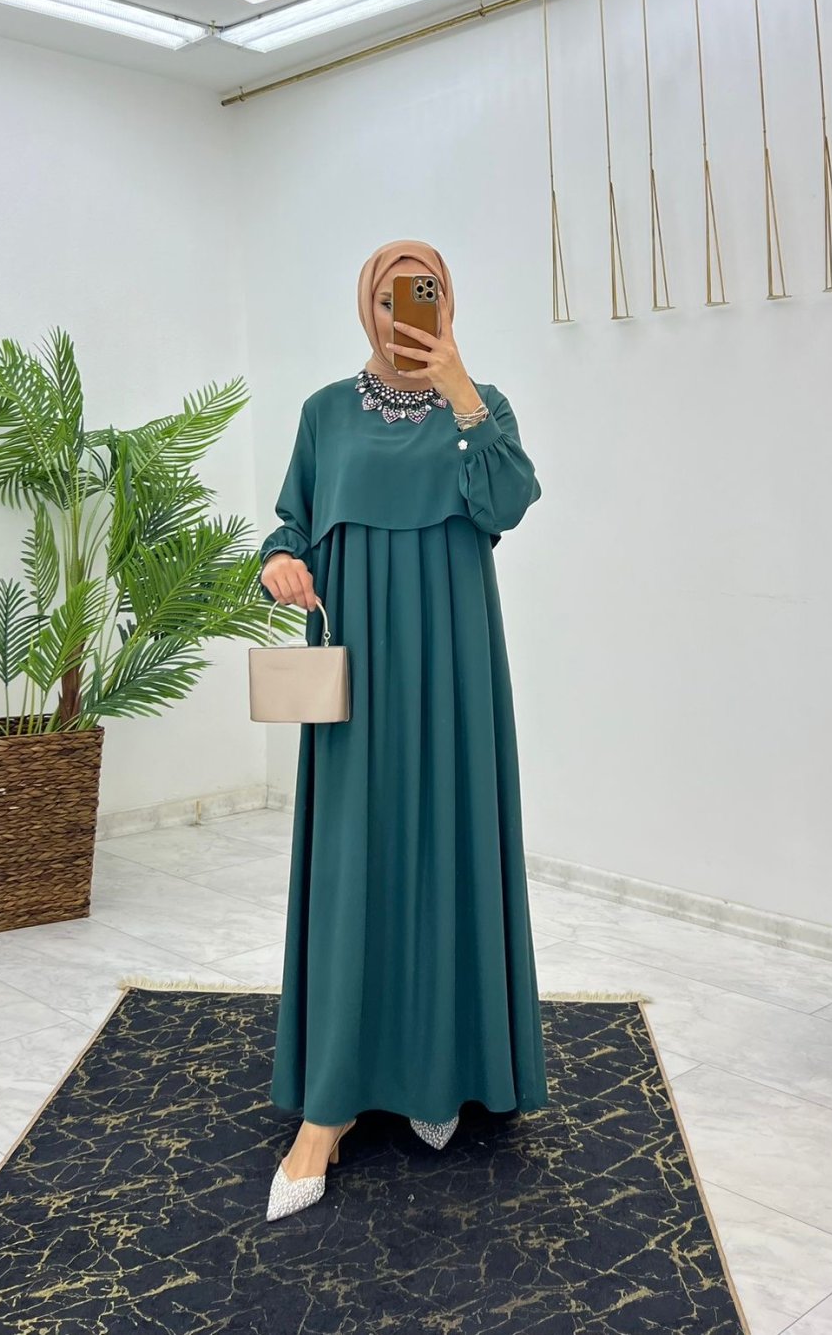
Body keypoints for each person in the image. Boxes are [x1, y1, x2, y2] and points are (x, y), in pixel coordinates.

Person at [259, 238, 548, 1222]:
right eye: (388, 299)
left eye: (420, 296)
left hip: (454, 664)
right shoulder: (324, 411)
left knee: (444, 844)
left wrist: (459, 387)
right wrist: (279, 563)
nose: (402, 315)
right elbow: (289, 522)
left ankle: (437, 1073)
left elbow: (508, 501)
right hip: (358, 666)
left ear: (446, 304)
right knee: (357, 856)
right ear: (366, 307)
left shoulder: (483, 406)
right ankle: (327, 1108)